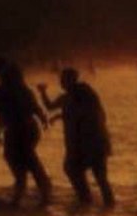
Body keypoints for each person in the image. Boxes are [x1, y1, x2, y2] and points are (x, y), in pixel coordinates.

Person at [37, 68, 114, 207]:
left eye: (63, 79)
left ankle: (89, 202)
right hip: (89, 142)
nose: (61, 82)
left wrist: (62, 116)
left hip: (89, 142)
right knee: (91, 174)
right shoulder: (70, 96)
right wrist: (43, 93)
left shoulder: (83, 93)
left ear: (70, 80)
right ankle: (92, 202)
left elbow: (84, 114)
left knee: (85, 172)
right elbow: (50, 106)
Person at [0, 55, 52, 207]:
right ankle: (38, 191)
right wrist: (44, 122)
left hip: (18, 129)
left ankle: (28, 190)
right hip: (30, 128)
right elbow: (36, 109)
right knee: (25, 159)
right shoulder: (24, 90)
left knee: (18, 159)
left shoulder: (5, 90)